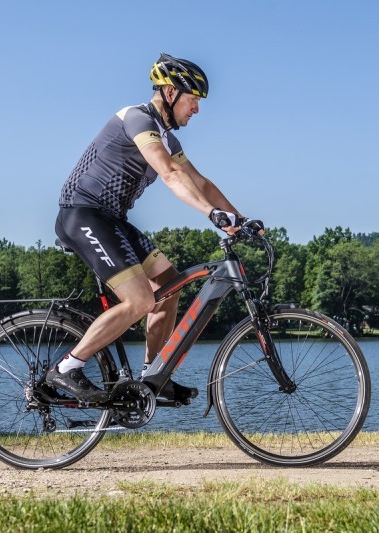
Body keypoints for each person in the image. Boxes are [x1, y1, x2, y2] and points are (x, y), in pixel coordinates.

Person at [46, 53, 247, 403]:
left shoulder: (168, 138)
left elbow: (200, 182)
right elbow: (169, 174)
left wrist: (240, 220)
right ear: (169, 93)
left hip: (113, 219)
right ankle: (66, 368)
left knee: (170, 286)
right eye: (193, 99)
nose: (196, 109)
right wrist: (211, 214)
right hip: (83, 214)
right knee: (140, 300)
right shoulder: (137, 118)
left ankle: (154, 376)